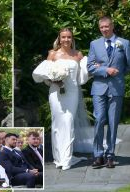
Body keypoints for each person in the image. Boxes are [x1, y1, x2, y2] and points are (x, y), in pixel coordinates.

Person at [32, 28, 90, 170]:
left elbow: (86, 73)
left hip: (72, 92)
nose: (66, 40)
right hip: (56, 92)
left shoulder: (78, 54)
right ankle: (58, 158)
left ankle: (67, 159)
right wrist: (53, 79)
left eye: (69, 37)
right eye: (63, 37)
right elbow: (43, 72)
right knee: (57, 123)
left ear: (72, 39)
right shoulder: (53, 54)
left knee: (68, 121)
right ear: (59, 38)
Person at [87, 16, 130, 169]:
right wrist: (105, 70)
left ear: (112, 26)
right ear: (99, 28)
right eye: (102, 27)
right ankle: (98, 155)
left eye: (107, 26)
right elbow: (90, 67)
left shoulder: (124, 43)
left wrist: (118, 74)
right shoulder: (94, 44)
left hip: (116, 88)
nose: (104, 29)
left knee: (113, 122)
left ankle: (110, 155)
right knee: (99, 119)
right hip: (99, 88)